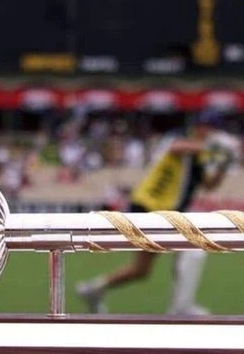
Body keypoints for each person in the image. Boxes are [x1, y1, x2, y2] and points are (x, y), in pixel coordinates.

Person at [75, 111, 234, 315]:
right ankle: (181, 308)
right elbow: (177, 147)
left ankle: (92, 289)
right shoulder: (182, 140)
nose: (208, 132)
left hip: (158, 210)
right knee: (193, 251)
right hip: (153, 207)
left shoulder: (199, 154)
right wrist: (218, 149)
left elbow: (209, 185)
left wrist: (222, 166)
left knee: (142, 270)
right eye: (206, 127)